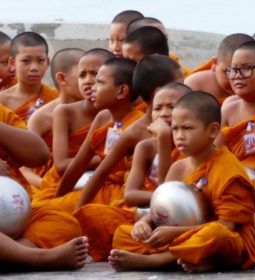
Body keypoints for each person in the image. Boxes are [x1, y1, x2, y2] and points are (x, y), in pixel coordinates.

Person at [109, 91, 255, 272]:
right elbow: (163, 208)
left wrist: (174, 232)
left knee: (216, 236)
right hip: (185, 234)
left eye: (188, 128)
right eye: (175, 129)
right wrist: (144, 222)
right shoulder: (178, 168)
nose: (179, 136)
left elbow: (227, 226)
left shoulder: (228, 169)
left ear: (213, 130)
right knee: (123, 234)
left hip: (228, 239)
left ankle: (155, 261)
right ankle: (198, 260)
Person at [73, 82, 191, 261]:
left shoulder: (194, 148)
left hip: (185, 217)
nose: (163, 113)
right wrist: (146, 215)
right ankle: (172, 251)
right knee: (94, 217)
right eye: (158, 108)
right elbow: (130, 196)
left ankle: (162, 256)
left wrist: (165, 141)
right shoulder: (145, 147)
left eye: (172, 107)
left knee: (208, 235)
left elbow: (170, 196)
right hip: (146, 213)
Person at [74, 54, 184, 209]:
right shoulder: (139, 137)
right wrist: (78, 213)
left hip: (177, 210)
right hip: (141, 205)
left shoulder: (193, 134)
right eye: (180, 83)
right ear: (158, 93)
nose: (187, 89)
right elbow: (100, 174)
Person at [0, 103, 88, 271]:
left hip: (17, 214)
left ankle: (11, 255)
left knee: (64, 223)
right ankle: (38, 258)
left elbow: (39, 155)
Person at [214, 40, 255, 234]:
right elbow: (214, 156)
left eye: (246, 69)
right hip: (235, 186)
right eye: (233, 70)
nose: (237, 77)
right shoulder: (228, 107)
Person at [32, 48, 114, 203]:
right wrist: (110, 158)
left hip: (107, 183)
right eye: (82, 75)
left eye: (96, 75)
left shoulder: (123, 114)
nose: (88, 80)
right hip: (66, 182)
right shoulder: (64, 113)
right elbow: (61, 165)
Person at [21, 48, 84, 189]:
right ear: (62, 78)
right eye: (82, 75)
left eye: (95, 75)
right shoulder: (41, 118)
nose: (90, 82)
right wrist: (49, 188)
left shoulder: (100, 112)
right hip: (50, 185)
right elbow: (25, 169)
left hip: (90, 181)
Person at [0, 31, 58, 122]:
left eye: (40, 61)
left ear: (47, 63)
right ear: (12, 63)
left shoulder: (56, 98)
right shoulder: (2, 100)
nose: (34, 68)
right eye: (26, 61)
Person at [184, 33, 253, 102]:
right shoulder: (196, 84)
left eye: (246, 71)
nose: (237, 80)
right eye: (229, 72)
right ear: (214, 63)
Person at [126, 16, 192, 77]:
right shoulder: (121, 74)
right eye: (153, 40)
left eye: (164, 39)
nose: (161, 44)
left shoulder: (183, 75)